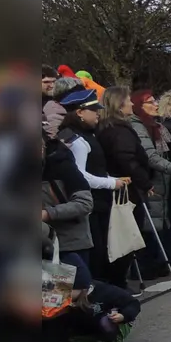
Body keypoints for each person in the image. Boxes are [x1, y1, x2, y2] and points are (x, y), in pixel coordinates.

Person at [57, 88, 127, 283]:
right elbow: (80, 176)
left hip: (96, 201)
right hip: (91, 203)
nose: (98, 113)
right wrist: (111, 182)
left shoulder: (83, 134)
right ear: (79, 112)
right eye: (93, 109)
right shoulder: (76, 140)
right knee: (96, 252)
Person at [129, 90, 171, 276]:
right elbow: (151, 156)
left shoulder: (156, 126)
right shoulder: (138, 127)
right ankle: (145, 265)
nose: (155, 105)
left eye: (155, 101)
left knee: (161, 221)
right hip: (150, 179)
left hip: (163, 180)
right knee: (149, 222)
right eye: (149, 102)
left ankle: (159, 260)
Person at [93, 86, 154, 285]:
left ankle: (117, 281)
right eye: (128, 100)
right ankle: (118, 282)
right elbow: (127, 160)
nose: (132, 104)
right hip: (126, 190)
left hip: (119, 188)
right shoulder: (119, 131)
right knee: (125, 238)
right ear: (119, 105)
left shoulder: (106, 127)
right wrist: (144, 182)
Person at [42, 101, 95, 278]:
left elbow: (85, 203)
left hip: (70, 244)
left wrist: (47, 214)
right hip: (40, 246)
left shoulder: (61, 163)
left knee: (76, 296)